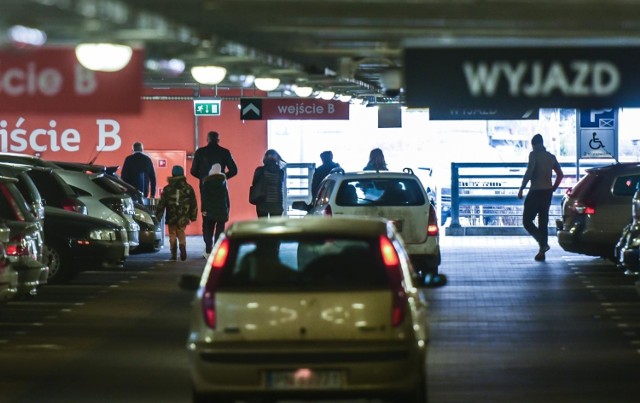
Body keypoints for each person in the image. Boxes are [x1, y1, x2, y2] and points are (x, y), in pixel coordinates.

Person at [517, 133, 564, 262]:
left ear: (535, 145)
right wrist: (554, 188)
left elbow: (529, 172)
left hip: (535, 192)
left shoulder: (534, 155)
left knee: (527, 221)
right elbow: (560, 174)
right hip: (547, 192)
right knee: (543, 221)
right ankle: (542, 252)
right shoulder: (551, 157)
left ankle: (542, 243)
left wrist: (521, 188)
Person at [155, 165, 198, 261]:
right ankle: (182, 247)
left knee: (172, 234)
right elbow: (193, 203)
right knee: (181, 231)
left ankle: (173, 255)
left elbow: (161, 204)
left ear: (173, 174)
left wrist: (158, 216)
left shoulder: (167, 189)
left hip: (172, 215)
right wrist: (193, 216)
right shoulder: (188, 188)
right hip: (184, 215)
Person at [200, 163, 229, 258]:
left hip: (210, 210)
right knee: (220, 231)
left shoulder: (206, 182)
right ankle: (217, 250)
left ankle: (209, 249)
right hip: (222, 210)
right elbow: (226, 198)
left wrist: (203, 209)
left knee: (208, 230)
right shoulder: (223, 182)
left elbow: (204, 197)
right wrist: (227, 209)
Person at [252, 149, 285, 218]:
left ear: (265, 158)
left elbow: (254, 184)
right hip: (277, 203)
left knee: (263, 226)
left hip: (262, 202)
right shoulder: (281, 172)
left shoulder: (259, 170)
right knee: (276, 227)